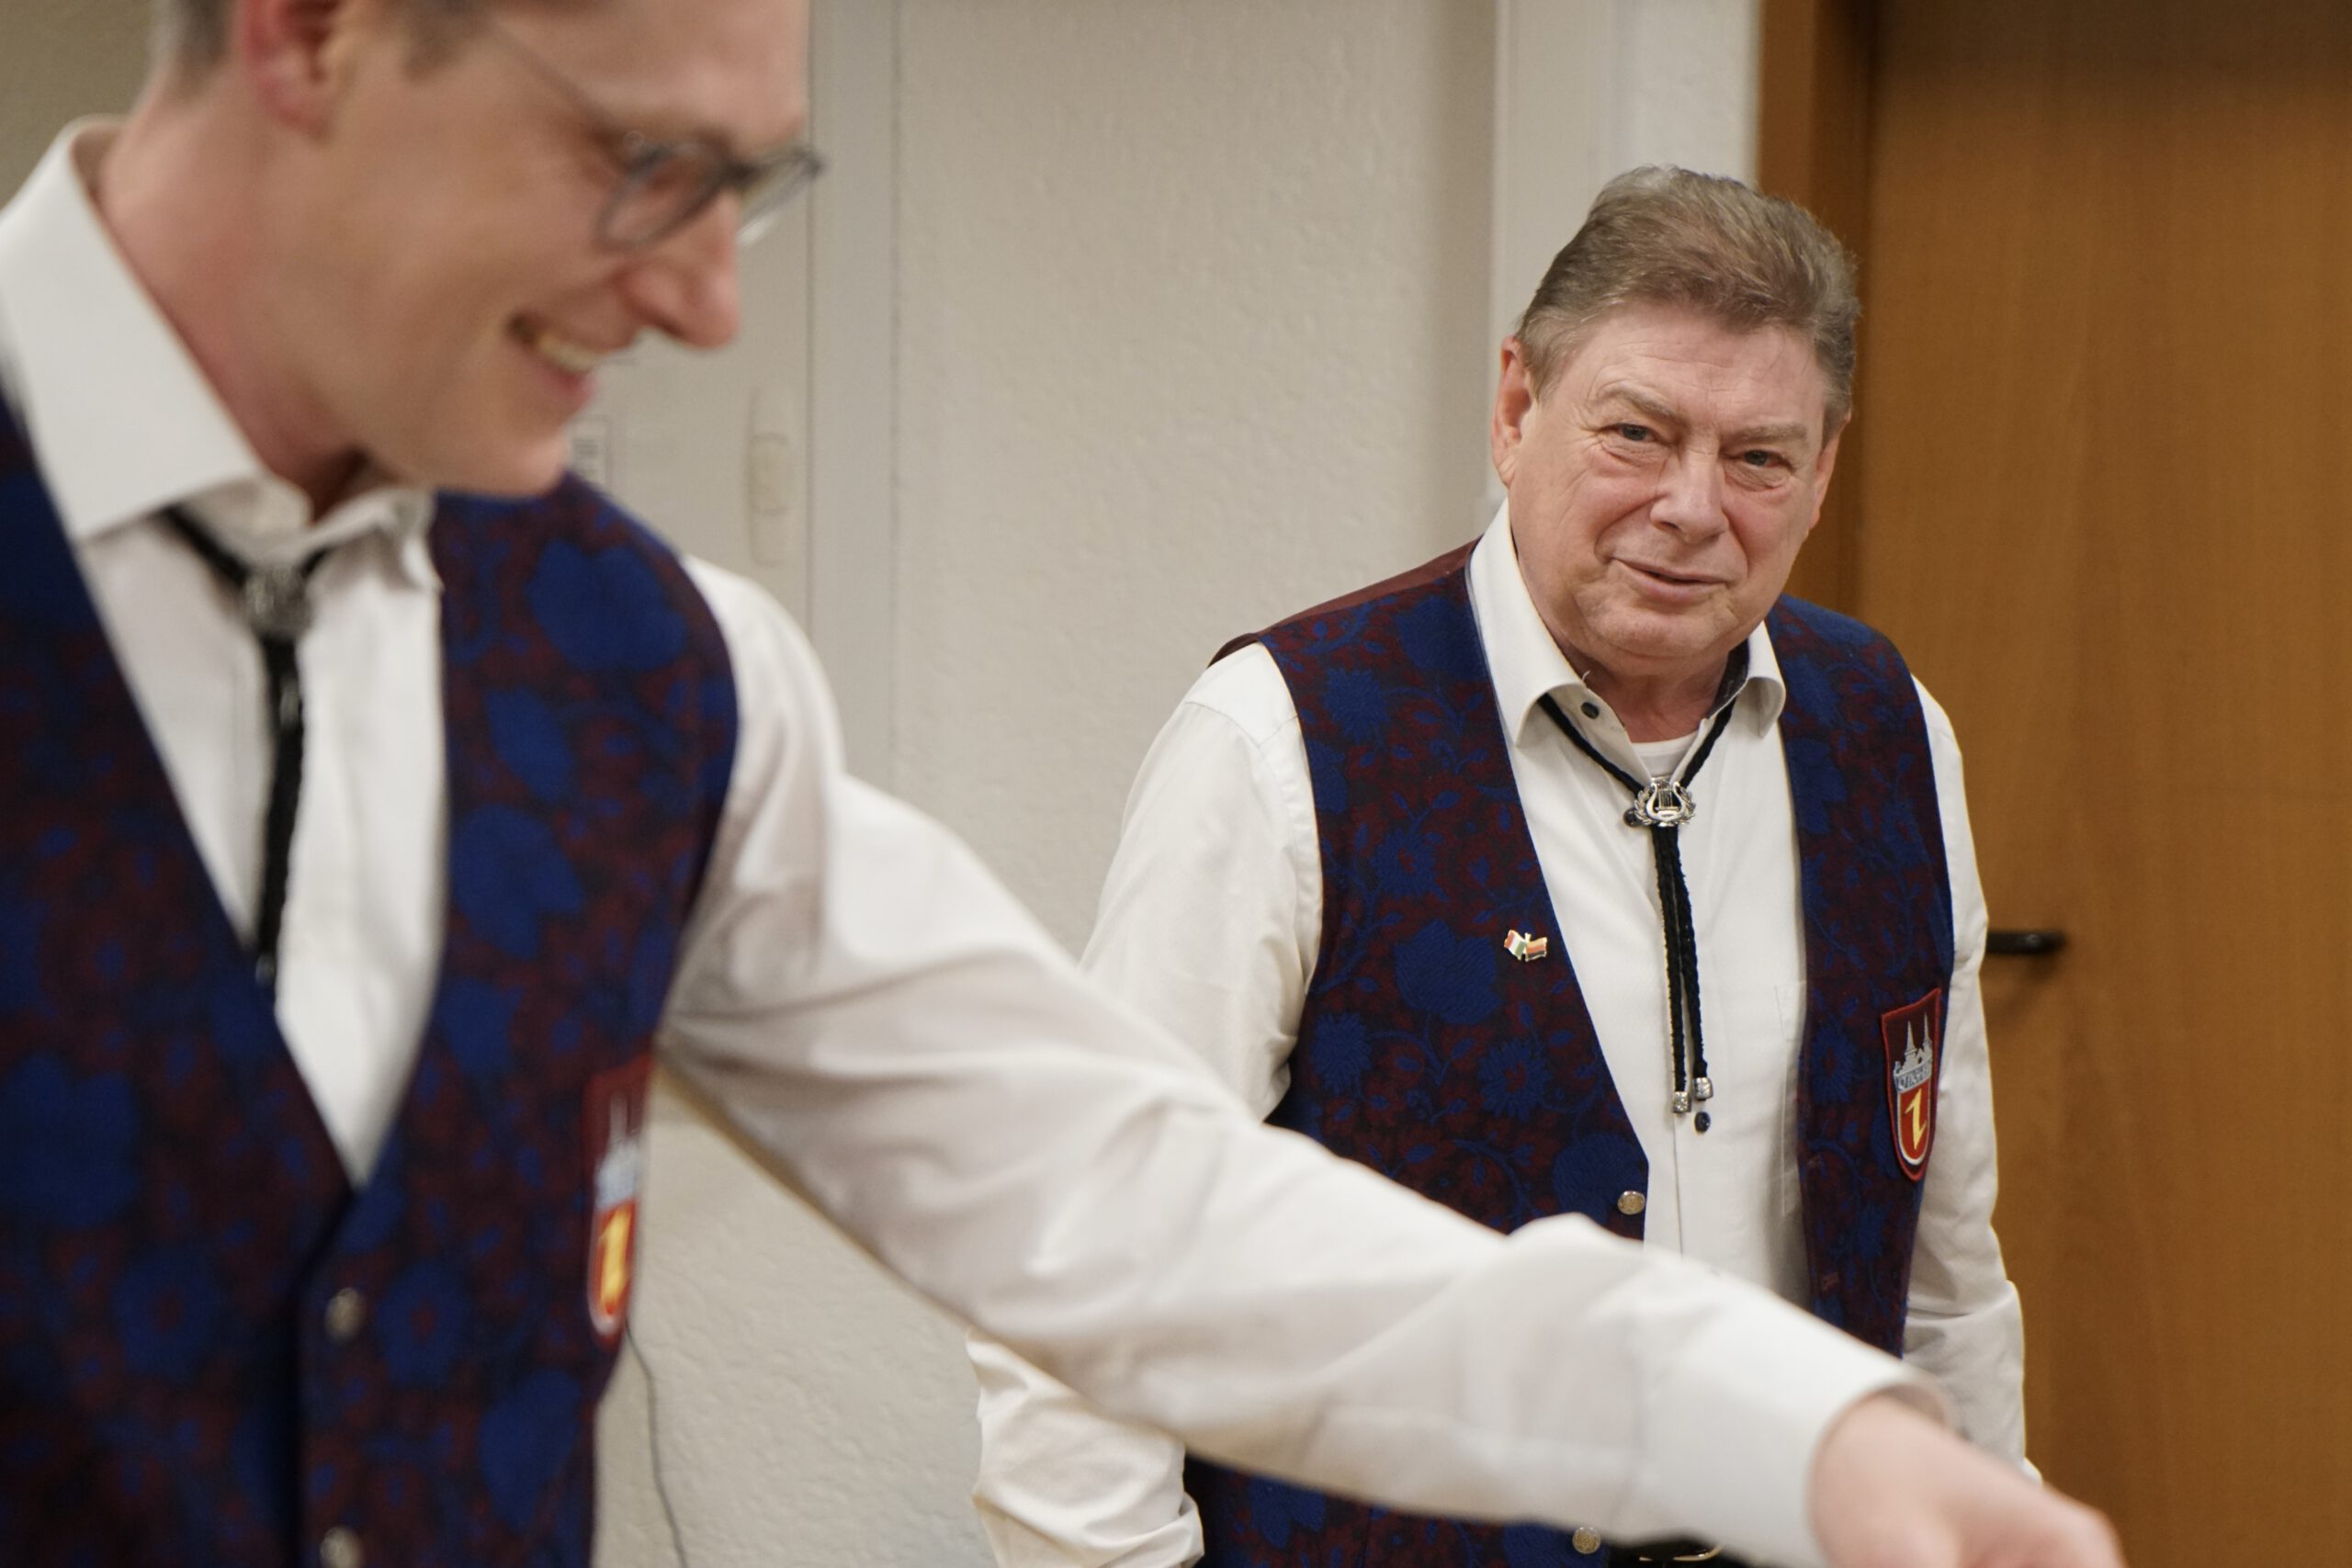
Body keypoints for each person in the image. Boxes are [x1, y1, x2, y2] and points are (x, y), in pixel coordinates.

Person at [0, 1, 2120, 1564]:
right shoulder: (1282, 732)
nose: (710, 300)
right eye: (642, 163)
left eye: (749, 189)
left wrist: (1799, 1429)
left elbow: (1120, 1198)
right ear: (312, 33)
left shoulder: (649, 675)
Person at [971, 168, 2034, 1568]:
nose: (1691, 507)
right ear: (1517, 409)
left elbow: (1944, 1278)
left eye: (1759, 458)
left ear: (1823, 472)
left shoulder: (1890, 737)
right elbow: (1093, 1271)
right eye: (1637, 433)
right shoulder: (1286, 740)